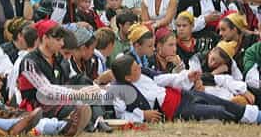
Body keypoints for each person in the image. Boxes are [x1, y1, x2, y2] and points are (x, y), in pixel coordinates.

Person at [110, 54, 261, 124]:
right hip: (176, 110)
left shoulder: (142, 72)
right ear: (128, 78)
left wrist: (187, 76)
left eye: (138, 66)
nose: (139, 69)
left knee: (224, 102)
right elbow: (121, 115)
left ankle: (257, 116)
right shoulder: (120, 90)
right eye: (135, 70)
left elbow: (164, 78)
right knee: (219, 111)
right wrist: (142, 115)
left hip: (182, 94)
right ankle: (244, 119)